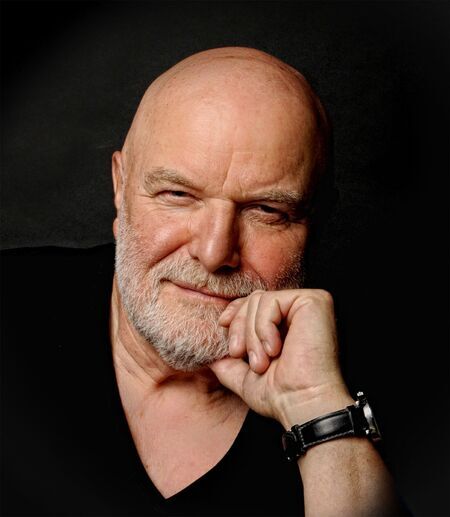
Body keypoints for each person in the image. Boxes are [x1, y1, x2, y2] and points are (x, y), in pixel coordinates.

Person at [2, 47, 408, 516]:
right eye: (178, 194)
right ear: (120, 186)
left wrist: (317, 409)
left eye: (266, 211)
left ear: (318, 220)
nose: (215, 253)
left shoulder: (389, 381)